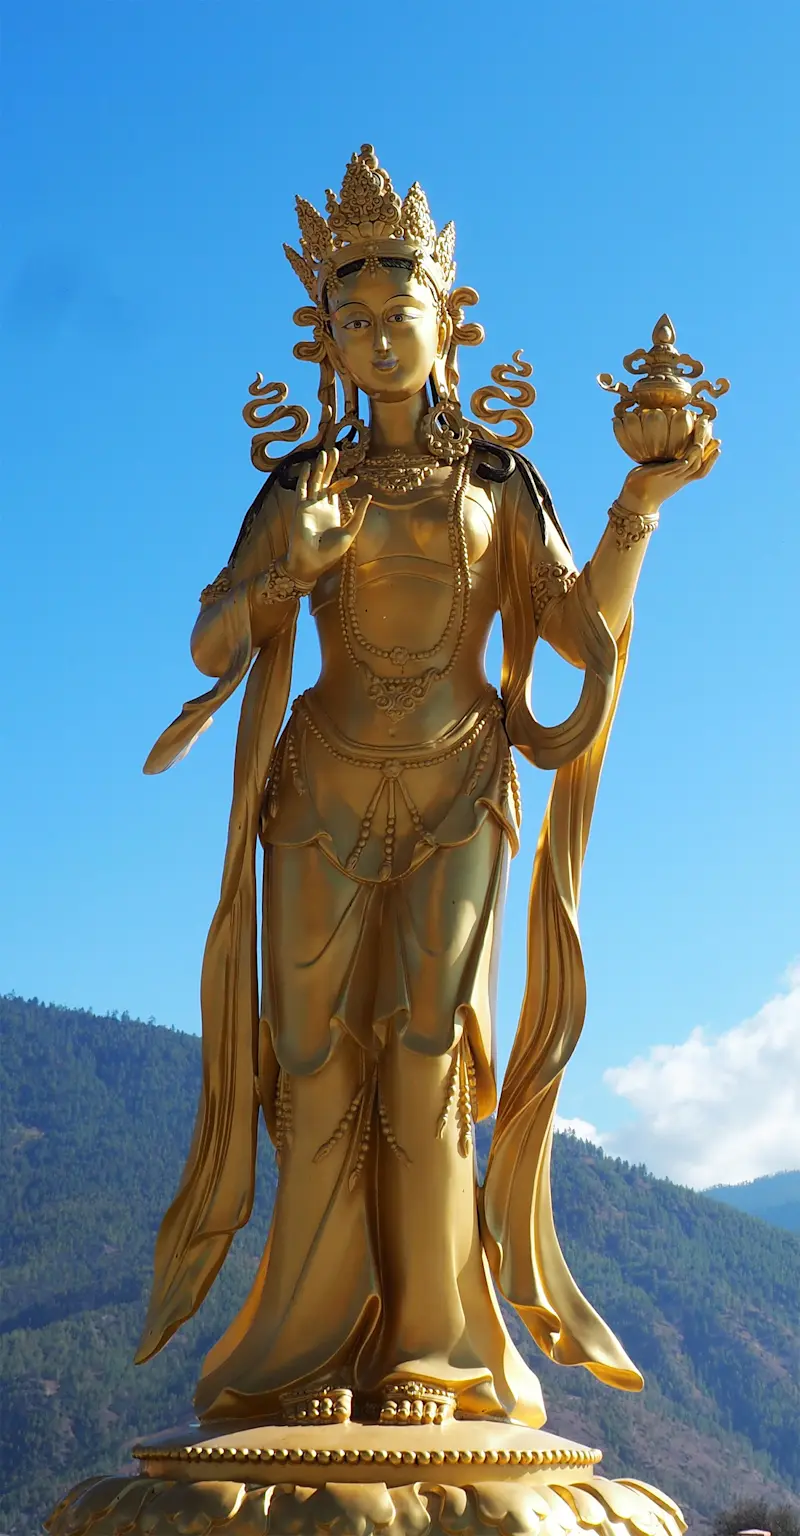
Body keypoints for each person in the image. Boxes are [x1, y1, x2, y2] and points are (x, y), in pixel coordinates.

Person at [135, 147, 719, 1429]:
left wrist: (636, 502)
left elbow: (572, 632)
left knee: (422, 1052)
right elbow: (211, 644)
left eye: (394, 311)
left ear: (444, 319)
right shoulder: (301, 486)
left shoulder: (497, 484)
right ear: (324, 340)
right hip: (318, 794)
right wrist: (281, 566)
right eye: (347, 319)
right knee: (309, 1061)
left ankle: (433, 1352)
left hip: (458, 785)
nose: (372, 335)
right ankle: (297, 1356)